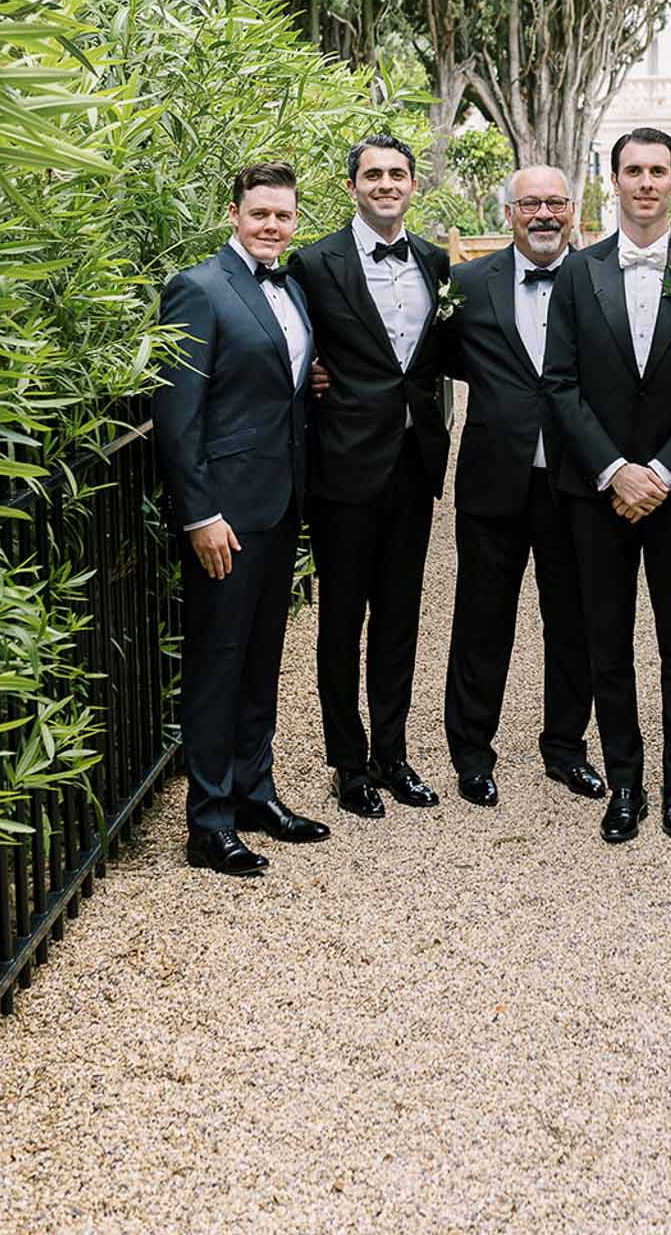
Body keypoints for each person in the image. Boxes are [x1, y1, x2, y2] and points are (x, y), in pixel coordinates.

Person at [542, 128, 671, 844]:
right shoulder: (575, 272)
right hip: (595, 491)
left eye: (659, 171)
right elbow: (558, 384)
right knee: (607, 640)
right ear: (614, 180)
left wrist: (658, 471)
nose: (647, 182)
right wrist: (613, 470)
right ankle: (625, 783)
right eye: (634, 170)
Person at [153, 161, 329, 877]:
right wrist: (200, 515)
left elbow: (279, 381)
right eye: (259, 214)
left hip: (280, 503)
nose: (272, 226)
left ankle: (257, 792)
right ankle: (209, 822)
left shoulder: (293, 287)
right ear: (232, 213)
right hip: (225, 514)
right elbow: (177, 417)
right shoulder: (197, 289)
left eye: (283, 216)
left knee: (261, 660)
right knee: (217, 664)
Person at [288, 134, 451, 821]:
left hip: (414, 464)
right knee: (342, 617)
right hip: (345, 466)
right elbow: (289, 344)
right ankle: (347, 764)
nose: (387, 184)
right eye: (374, 174)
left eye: (398, 174)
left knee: (400, 618)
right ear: (353, 185)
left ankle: (393, 753)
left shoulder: (437, 263)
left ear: (414, 185)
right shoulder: (313, 263)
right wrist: (311, 379)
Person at [439, 165, 603, 809]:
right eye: (530, 203)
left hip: (577, 480)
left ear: (574, 211)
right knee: (481, 622)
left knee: (575, 622)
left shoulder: (599, 280)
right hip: (493, 480)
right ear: (507, 213)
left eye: (555, 203)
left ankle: (566, 749)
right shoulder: (467, 284)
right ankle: (473, 756)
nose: (543, 214)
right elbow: (436, 356)